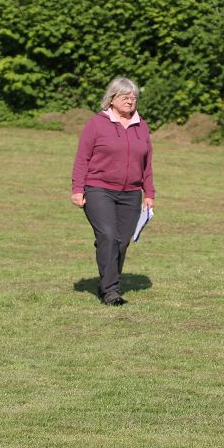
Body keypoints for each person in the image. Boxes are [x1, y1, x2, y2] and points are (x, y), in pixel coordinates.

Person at [71, 77, 155, 305]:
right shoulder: (97, 124)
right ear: (112, 99)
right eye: (125, 97)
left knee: (121, 241)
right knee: (107, 235)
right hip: (99, 189)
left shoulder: (141, 125)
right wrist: (77, 188)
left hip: (130, 193)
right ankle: (110, 291)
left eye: (134, 98)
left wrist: (149, 193)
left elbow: (147, 163)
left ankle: (107, 281)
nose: (130, 101)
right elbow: (82, 158)